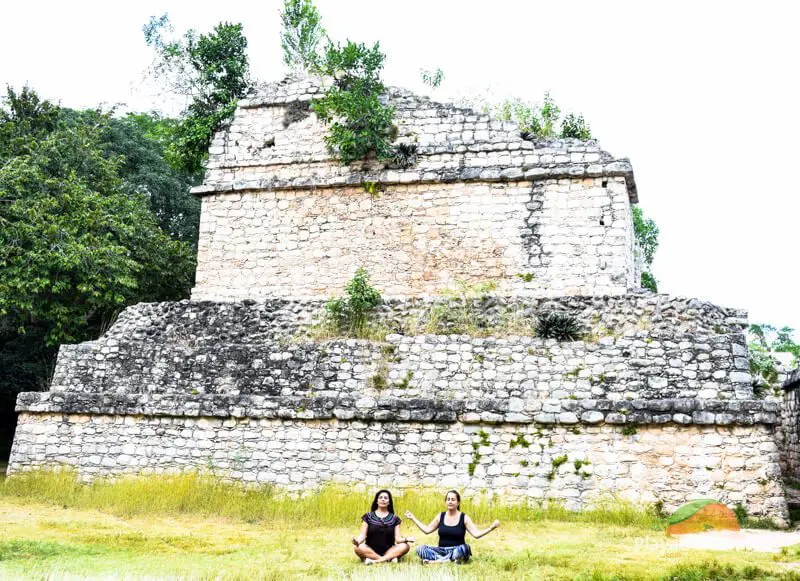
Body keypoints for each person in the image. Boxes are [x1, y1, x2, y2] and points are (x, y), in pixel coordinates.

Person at [405, 490, 499, 564]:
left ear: (458, 503)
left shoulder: (464, 517)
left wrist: (491, 528)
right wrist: (413, 518)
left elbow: (476, 534)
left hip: (456, 550)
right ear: (445, 501)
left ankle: (437, 561)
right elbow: (426, 530)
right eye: (448, 499)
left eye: (453, 499)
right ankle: (444, 561)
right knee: (420, 548)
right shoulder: (440, 516)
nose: (450, 501)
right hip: (441, 551)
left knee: (465, 548)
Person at [352, 489, 414, 564]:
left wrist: (406, 539)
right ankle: (388, 559)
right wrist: (357, 541)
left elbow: (398, 539)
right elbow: (363, 535)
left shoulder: (395, 518)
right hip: (370, 550)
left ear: (389, 502)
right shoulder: (368, 516)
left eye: (385, 498)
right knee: (357, 547)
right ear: (376, 501)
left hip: (389, 550)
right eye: (380, 497)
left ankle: (375, 561)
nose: (383, 499)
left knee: (405, 546)